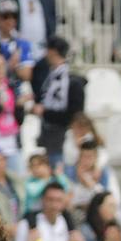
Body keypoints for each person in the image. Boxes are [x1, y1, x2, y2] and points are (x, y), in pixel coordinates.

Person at [33, 38, 86, 166]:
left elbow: (74, 114)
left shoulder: (71, 82)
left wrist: (45, 113)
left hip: (63, 136)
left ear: (53, 52)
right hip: (48, 135)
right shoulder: (49, 76)